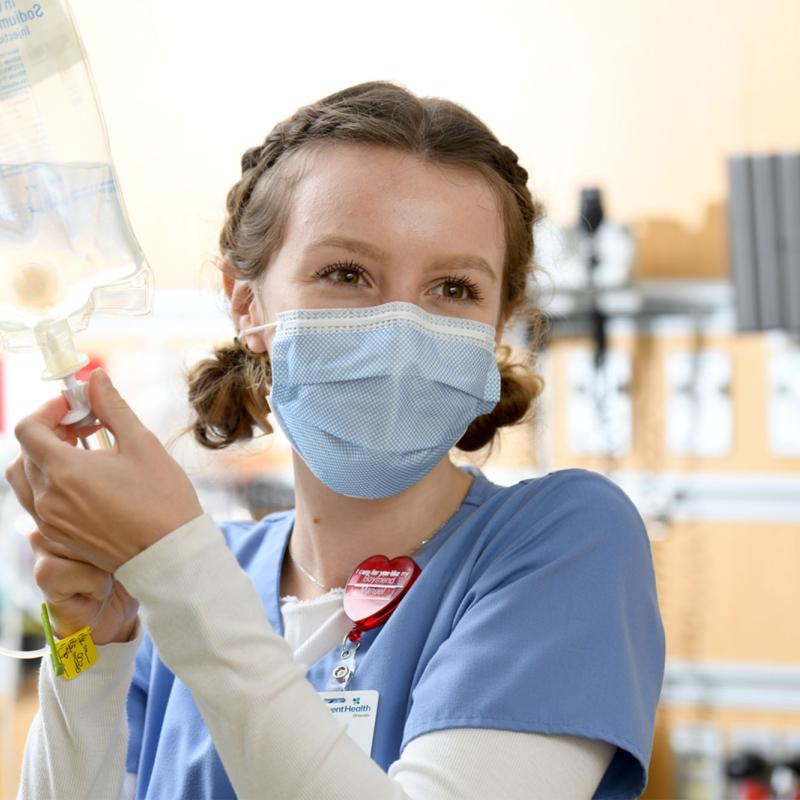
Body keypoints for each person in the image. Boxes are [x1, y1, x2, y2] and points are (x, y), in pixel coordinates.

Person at [6, 81, 665, 799]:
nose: (401, 331)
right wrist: (87, 650)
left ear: (498, 322)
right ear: (246, 305)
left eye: (453, 289)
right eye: (346, 274)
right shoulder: (188, 587)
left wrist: (173, 563)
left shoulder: (564, 544)